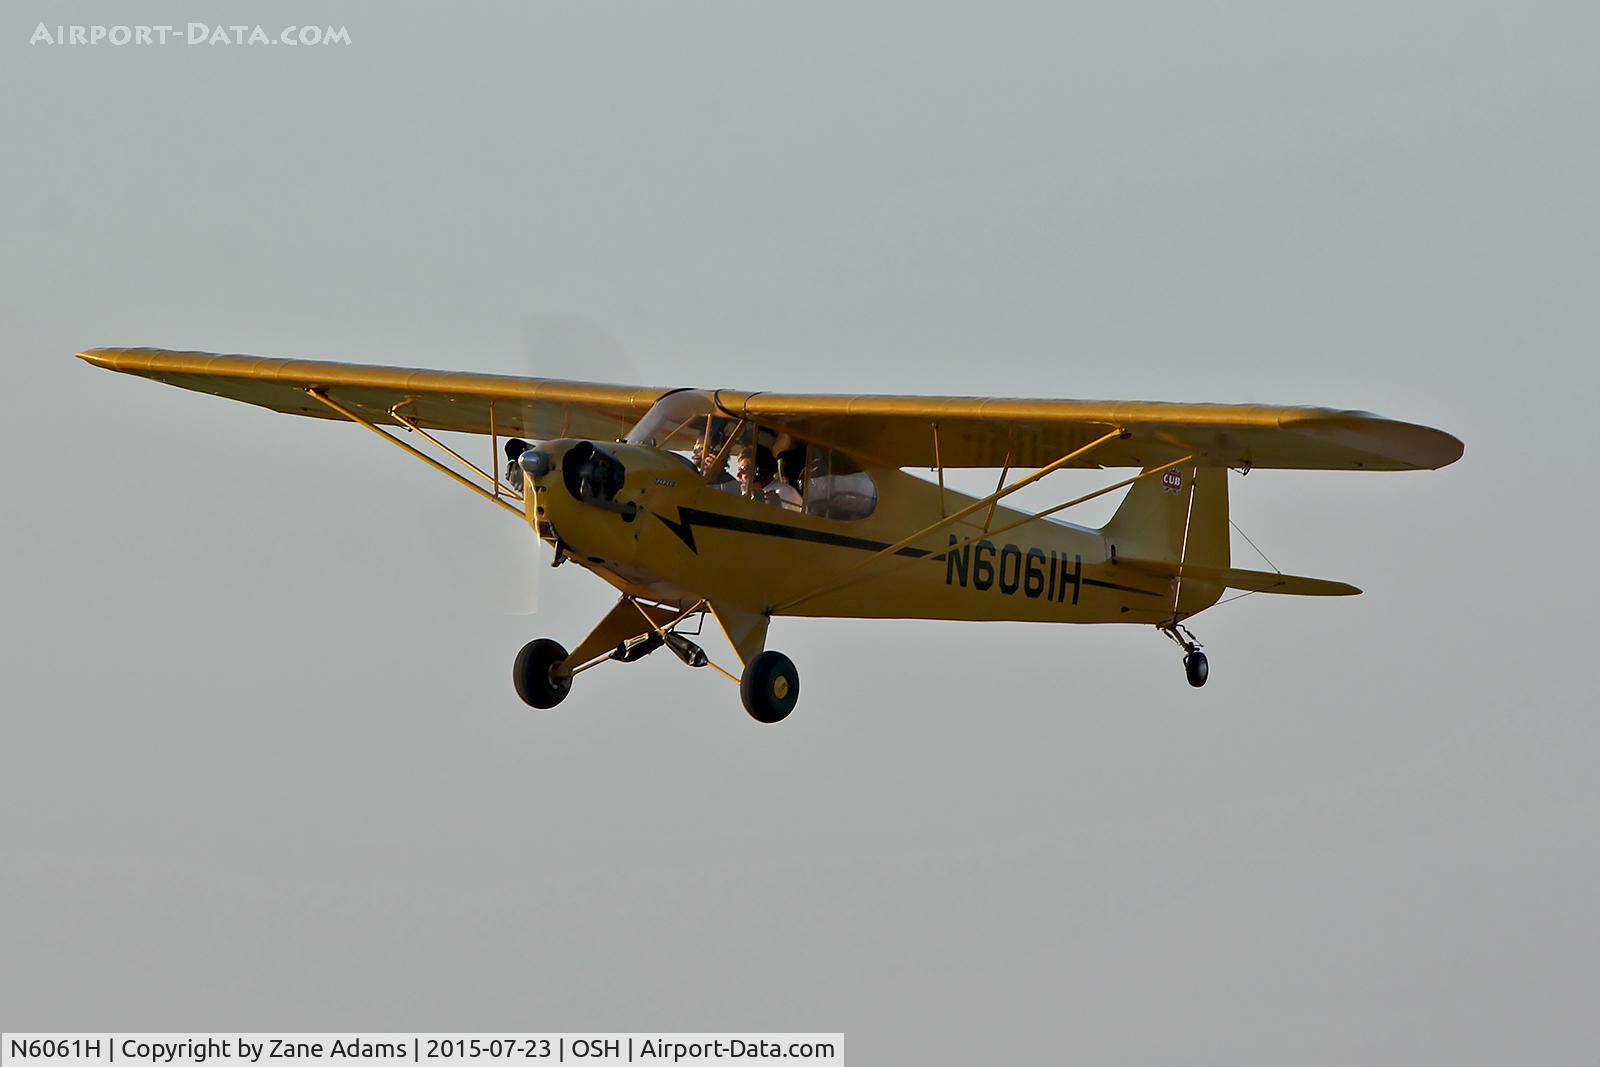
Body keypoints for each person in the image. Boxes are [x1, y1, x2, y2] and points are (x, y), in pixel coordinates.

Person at [738, 446, 802, 511]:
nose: (738, 475)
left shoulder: (784, 492)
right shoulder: (754, 495)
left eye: (743, 470)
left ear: (759, 471)